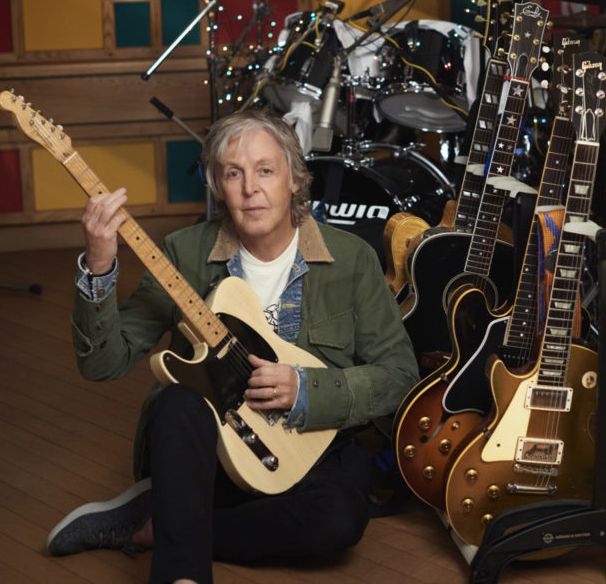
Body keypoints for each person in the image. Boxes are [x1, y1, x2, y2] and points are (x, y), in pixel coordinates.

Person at [45, 107, 417, 584]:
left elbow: (399, 375)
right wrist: (98, 267)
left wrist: (306, 389)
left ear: (295, 180)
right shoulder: (182, 254)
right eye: (233, 174)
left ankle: (161, 525)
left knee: (339, 521)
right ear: (217, 186)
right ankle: (182, 574)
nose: (250, 188)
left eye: (266, 170)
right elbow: (103, 363)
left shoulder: (351, 259)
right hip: (211, 450)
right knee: (177, 402)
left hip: (305, 446)